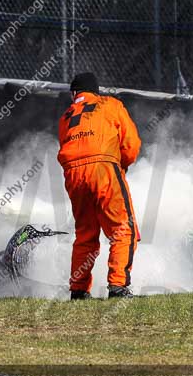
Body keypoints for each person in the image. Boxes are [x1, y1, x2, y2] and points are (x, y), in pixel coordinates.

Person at [57, 72, 141, 300]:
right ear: (96, 91)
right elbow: (131, 145)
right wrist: (121, 165)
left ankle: (79, 290)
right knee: (124, 229)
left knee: (85, 233)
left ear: (74, 93)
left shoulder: (66, 116)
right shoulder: (111, 105)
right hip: (103, 168)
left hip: (74, 174)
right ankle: (118, 286)